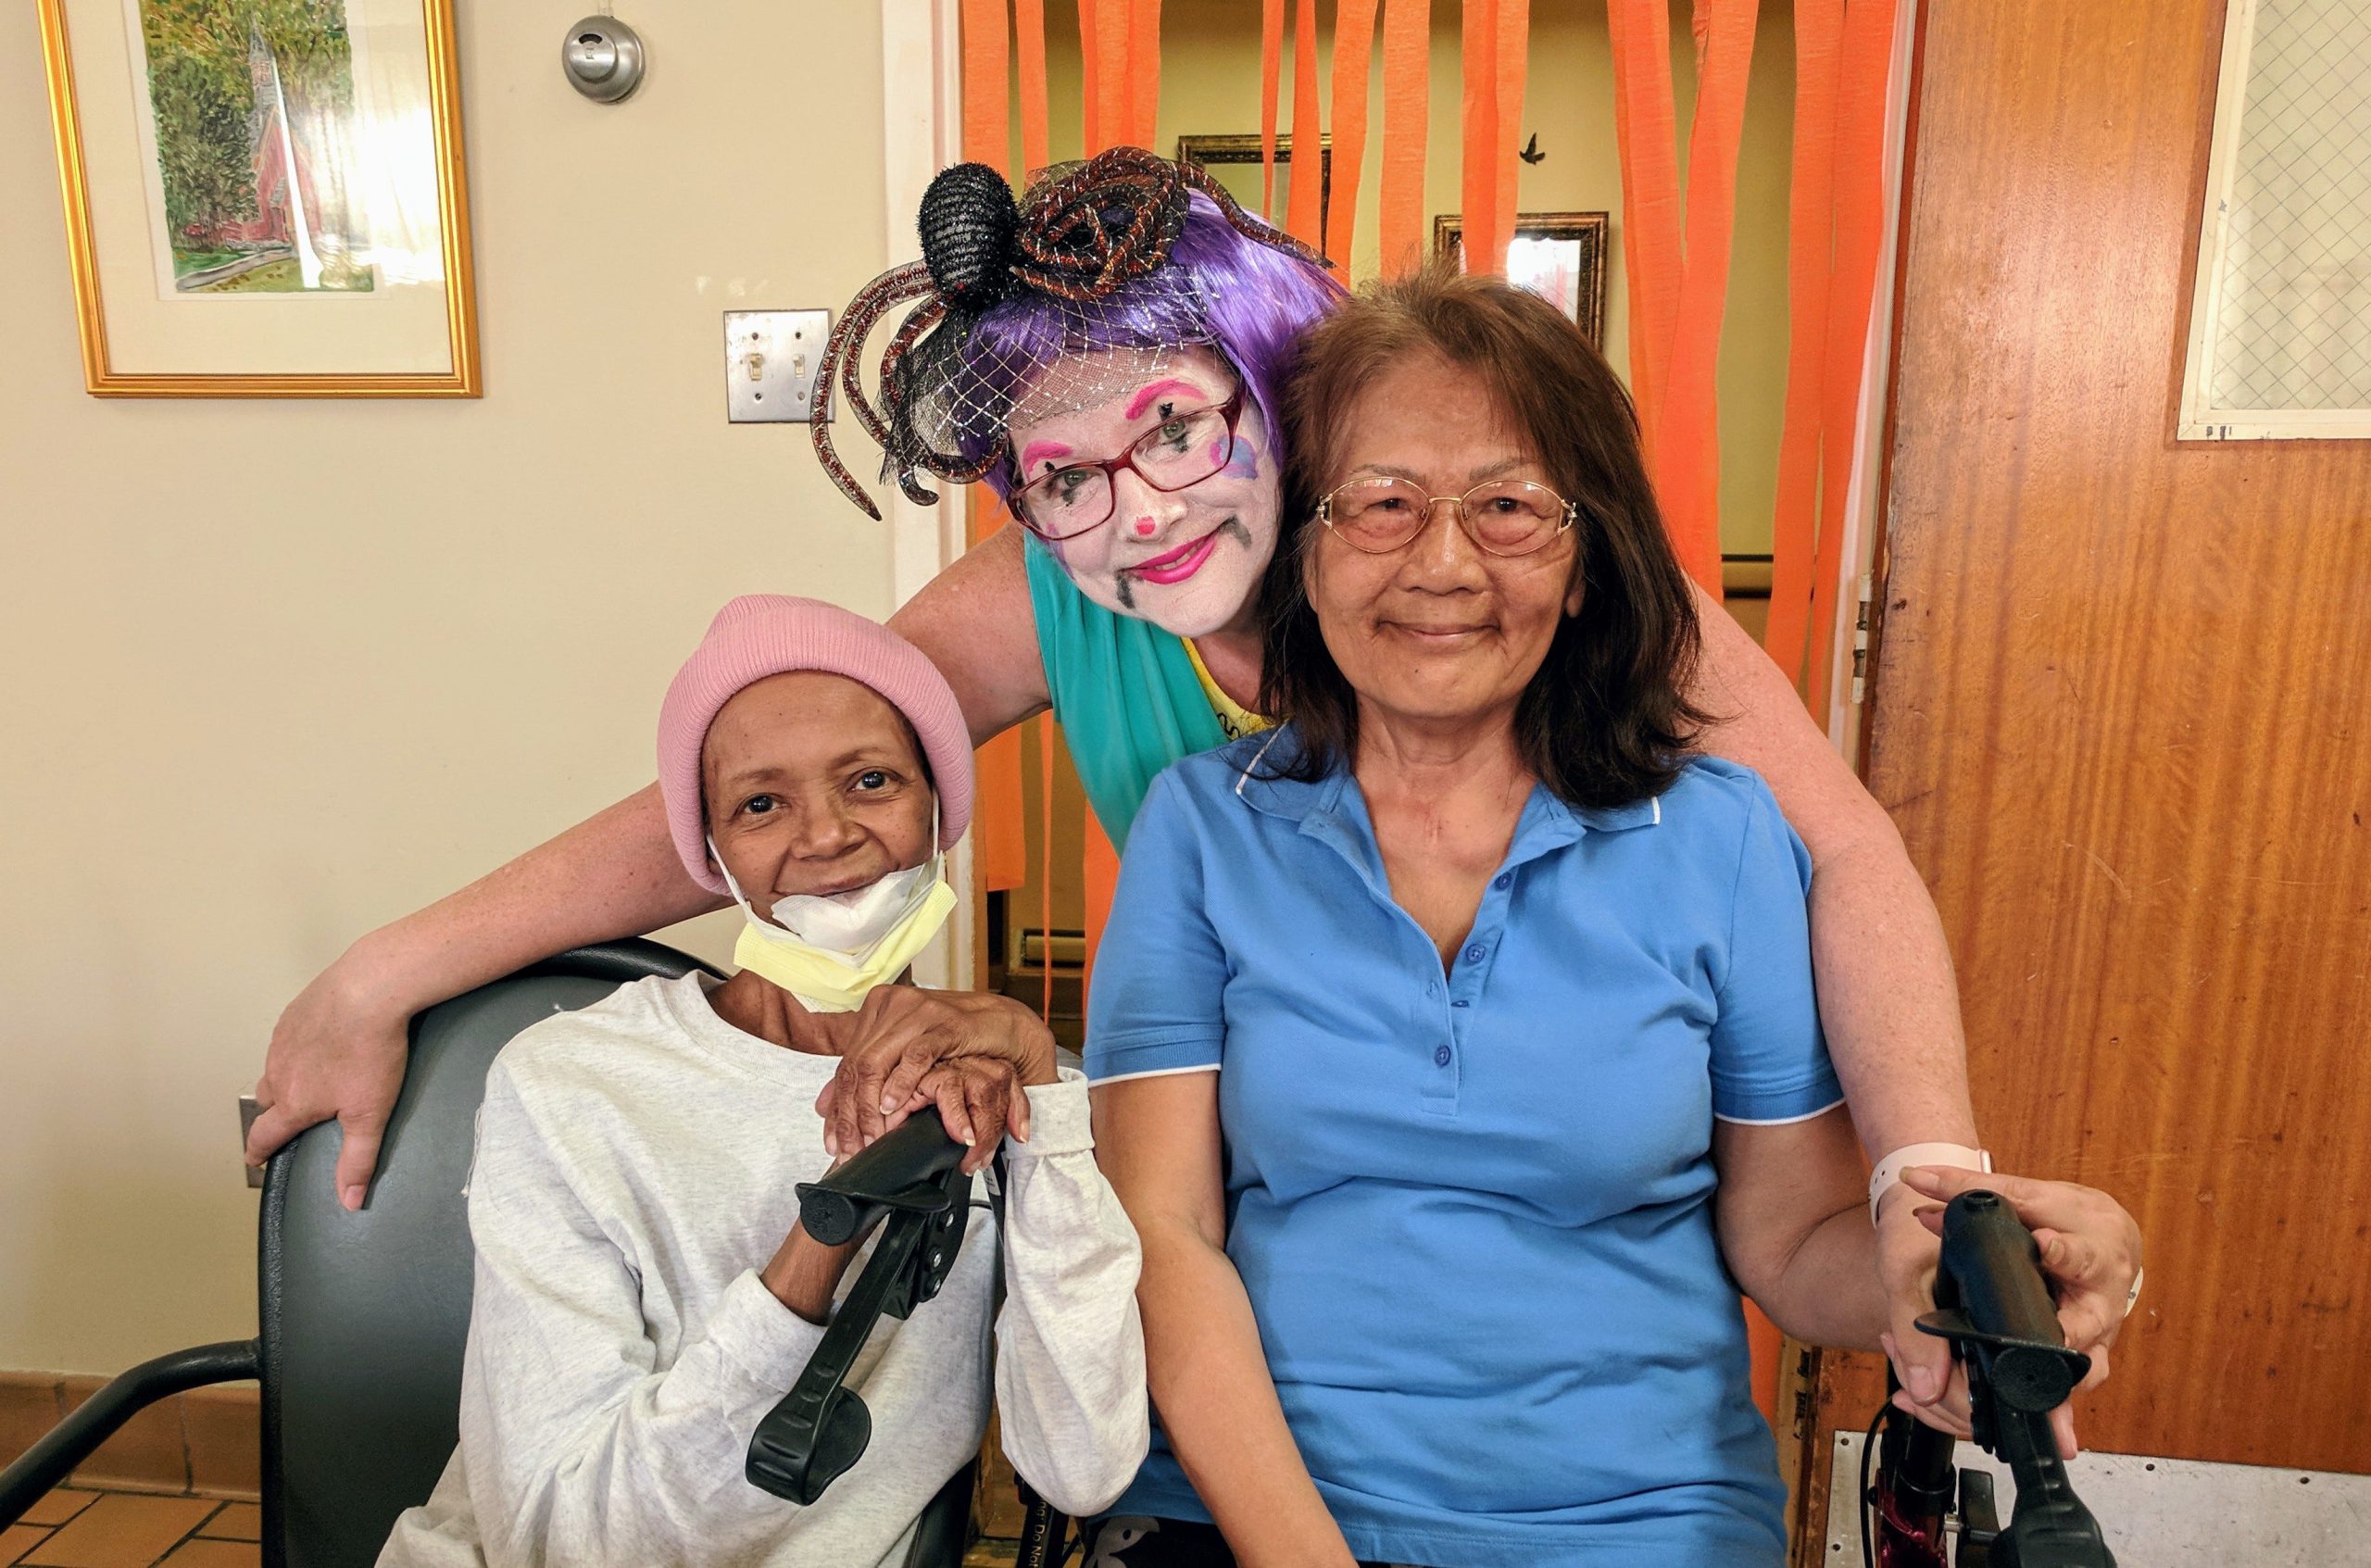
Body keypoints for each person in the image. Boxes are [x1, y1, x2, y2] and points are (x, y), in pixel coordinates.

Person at [249, 148, 2134, 1425]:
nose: (1132, 510)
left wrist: (1924, 1183)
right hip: (1231, 1244)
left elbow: (1837, 850)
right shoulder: (1049, 609)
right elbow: (763, 789)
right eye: (1063, 474)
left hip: (1545, 1265)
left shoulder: (1487, 578)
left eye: (1177, 431)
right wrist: (383, 967)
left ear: (1272, 402)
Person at [1080, 267, 2136, 1568]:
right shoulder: (1204, 829)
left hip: (1645, 1519)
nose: (1444, 560)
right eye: (1383, 502)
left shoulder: (1720, 835)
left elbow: (1794, 1244)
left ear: (1587, 568)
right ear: (1304, 544)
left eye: (1512, 507)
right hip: (1258, 1513)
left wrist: (1941, 1284)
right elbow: (1163, 1235)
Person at [378, 596, 1147, 1568]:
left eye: (870, 781)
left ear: (939, 811)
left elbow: (1082, 1466)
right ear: (713, 853)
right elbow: (563, 1543)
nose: (825, 836)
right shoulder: (572, 1081)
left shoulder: (1006, 1090)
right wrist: (831, 1227)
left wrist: (1043, 1087)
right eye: (760, 803)